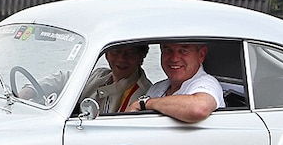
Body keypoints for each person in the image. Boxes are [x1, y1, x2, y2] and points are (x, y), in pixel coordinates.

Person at [19, 43, 150, 113]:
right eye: (116, 51)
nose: (121, 59)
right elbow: (64, 78)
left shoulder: (143, 93)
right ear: (107, 55)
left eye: (130, 53)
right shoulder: (99, 75)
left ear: (141, 56)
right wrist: (30, 90)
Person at [126, 42, 224, 122]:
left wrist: (145, 103)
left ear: (201, 55)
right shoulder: (158, 87)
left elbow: (199, 109)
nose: (174, 58)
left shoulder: (207, 83)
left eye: (183, 51)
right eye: (168, 50)